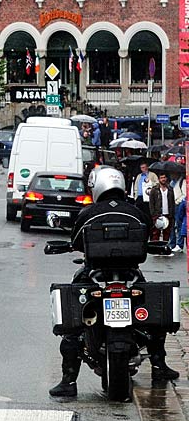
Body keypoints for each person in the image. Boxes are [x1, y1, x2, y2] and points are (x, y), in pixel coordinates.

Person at [50, 166, 178, 398]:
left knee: (74, 323)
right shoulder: (136, 210)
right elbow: (149, 233)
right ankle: (159, 366)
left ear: (98, 186)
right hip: (130, 274)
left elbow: (76, 241)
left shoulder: (89, 212)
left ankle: (68, 380)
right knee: (152, 313)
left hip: (94, 274)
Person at [147, 170, 180, 254]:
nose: (163, 179)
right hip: (158, 214)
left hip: (168, 213)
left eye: (164, 177)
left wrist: (172, 213)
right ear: (159, 179)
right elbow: (151, 203)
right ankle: (155, 249)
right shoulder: (154, 190)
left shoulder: (170, 189)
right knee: (156, 232)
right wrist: (153, 214)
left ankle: (164, 248)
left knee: (167, 233)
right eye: (161, 178)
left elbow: (172, 202)